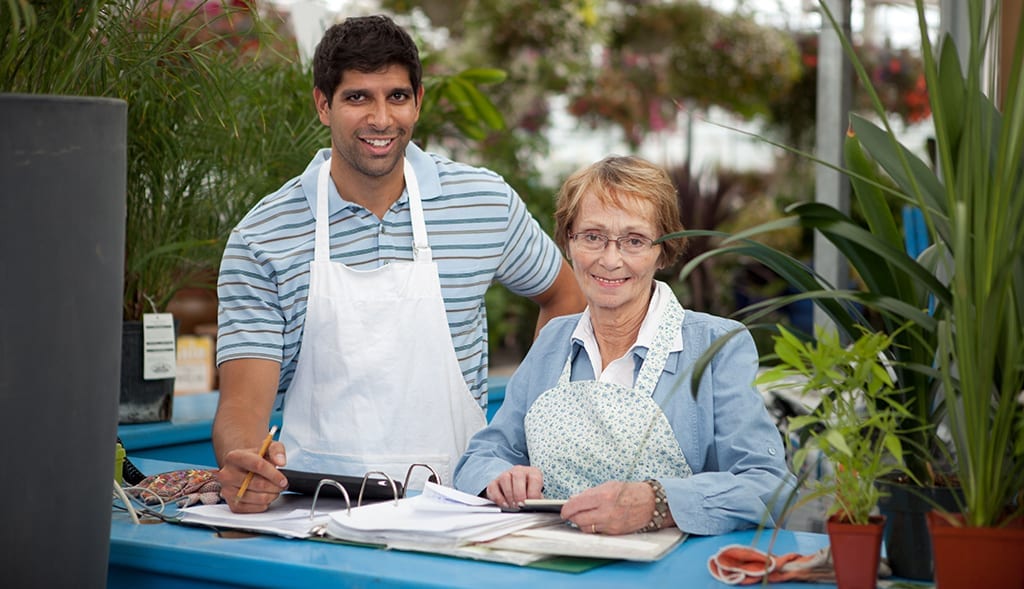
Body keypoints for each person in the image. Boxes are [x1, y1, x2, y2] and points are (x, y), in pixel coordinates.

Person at [213, 14, 584, 513]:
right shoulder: (264, 236)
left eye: (397, 96)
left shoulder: (482, 203)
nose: (381, 119)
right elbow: (242, 405)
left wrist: (527, 422)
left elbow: (566, 295)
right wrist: (244, 462)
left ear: (419, 101)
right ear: (323, 105)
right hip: (315, 510)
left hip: (464, 504)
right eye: (357, 97)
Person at [453, 155, 795, 536]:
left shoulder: (716, 347)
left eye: (634, 241)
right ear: (568, 242)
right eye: (593, 237)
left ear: (662, 251)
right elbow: (481, 456)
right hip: (552, 563)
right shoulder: (553, 341)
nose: (610, 259)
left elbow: (769, 485)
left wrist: (659, 503)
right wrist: (499, 477)